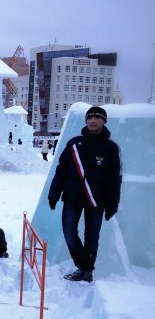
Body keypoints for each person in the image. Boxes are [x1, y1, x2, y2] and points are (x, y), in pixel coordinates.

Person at [48, 106, 122, 283]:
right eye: (90, 117)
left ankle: (85, 270)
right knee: (69, 231)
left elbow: (114, 179)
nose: (93, 120)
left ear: (104, 121)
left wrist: (113, 204)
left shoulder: (111, 148)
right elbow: (61, 171)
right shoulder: (74, 144)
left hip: (96, 201)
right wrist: (54, 193)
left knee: (92, 237)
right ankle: (85, 266)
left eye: (97, 117)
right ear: (86, 120)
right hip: (72, 198)